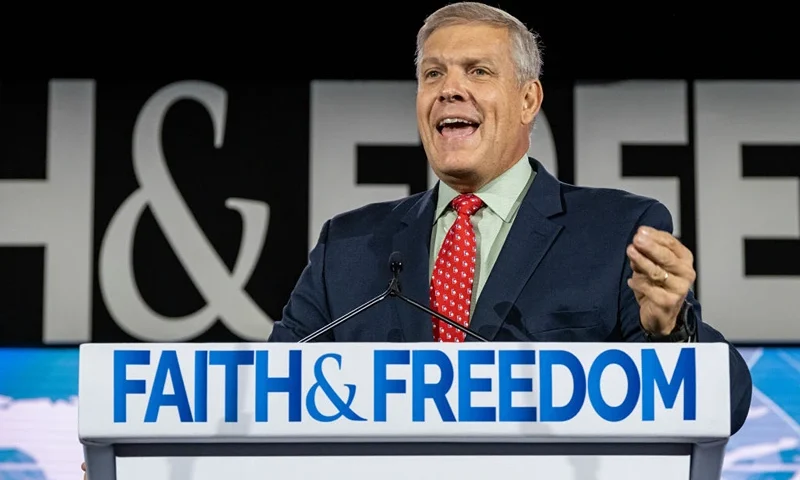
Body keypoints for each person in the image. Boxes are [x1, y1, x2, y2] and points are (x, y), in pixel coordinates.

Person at [80, 2, 751, 478]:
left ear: (528, 101)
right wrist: (149, 456)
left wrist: (674, 342)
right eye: (432, 74)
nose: (448, 89)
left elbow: (732, 402)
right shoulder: (351, 245)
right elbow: (264, 398)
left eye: (477, 72)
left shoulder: (616, 230)